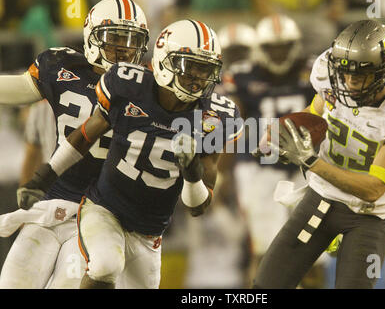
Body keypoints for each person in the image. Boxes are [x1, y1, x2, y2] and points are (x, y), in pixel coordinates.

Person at [19, 19, 241, 289]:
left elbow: (198, 207)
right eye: (189, 66)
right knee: (105, 266)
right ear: (163, 61)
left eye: (205, 69)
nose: (197, 77)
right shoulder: (129, 85)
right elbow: (85, 136)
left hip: (150, 233)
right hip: (104, 209)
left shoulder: (215, 117)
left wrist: (192, 174)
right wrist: (44, 176)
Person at [252, 19, 385, 289]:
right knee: (265, 288)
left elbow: (373, 189)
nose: (349, 82)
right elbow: (314, 113)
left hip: (367, 217)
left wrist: (311, 161)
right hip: (320, 198)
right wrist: (284, 134)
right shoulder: (330, 76)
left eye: (360, 75)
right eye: (345, 73)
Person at [0, 0, 150, 288]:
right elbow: (18, 88)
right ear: (91, 36)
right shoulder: (60, 64)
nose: (123, 49)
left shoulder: (147, 88)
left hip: (100, 215)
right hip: (52, 200)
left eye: (132, 40)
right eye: (115, 38)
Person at [222, 14, 317, 287]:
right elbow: (232, 127)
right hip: (258, 171)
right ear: (259, 48)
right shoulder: (242, 76)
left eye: (284, 46)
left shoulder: (313, 72)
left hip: (306, 168)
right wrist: (221, 171)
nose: (279, 53)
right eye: (272, 47)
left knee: (313, 252)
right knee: (266, 250)